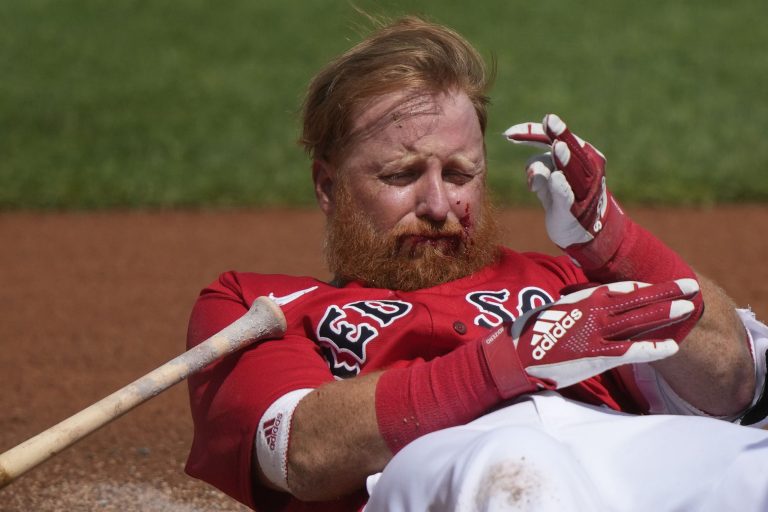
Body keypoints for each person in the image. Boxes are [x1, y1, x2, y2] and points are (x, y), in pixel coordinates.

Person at [183, 15, 768, 512]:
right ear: (328, 186)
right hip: (440, 465)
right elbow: (300, 453)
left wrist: (614, 244)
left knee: (751, 470)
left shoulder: (564, 279)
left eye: (460, 174)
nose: (440, 205)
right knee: (515, 465)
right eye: (403, 174)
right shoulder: (260, 305)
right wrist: (513, 360)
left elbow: (734, 386)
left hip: (619, 449)